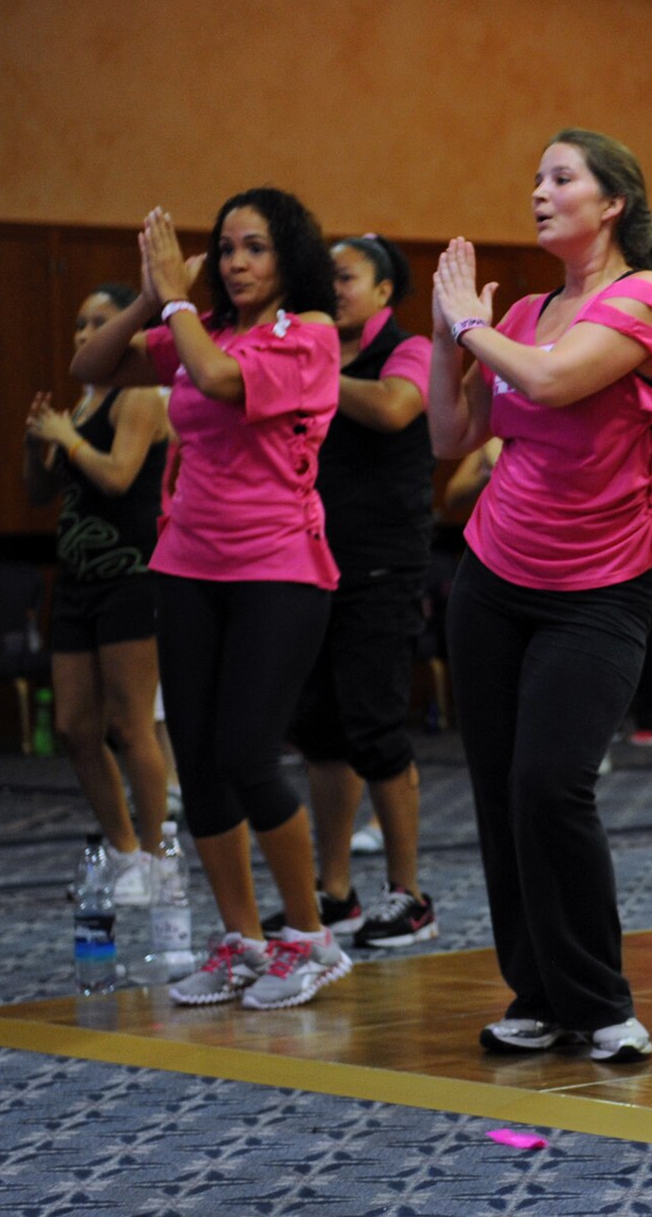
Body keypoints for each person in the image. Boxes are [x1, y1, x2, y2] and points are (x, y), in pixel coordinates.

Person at [430, 128, 652, 1064]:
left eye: (561, 178)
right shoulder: (520, 315)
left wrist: (471, 326)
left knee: (551, 785)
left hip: (602, 587)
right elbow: (450, 434)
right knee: (499, 793)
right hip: (493, 578)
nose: (540, 193)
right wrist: (448, 333)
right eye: (535, 177)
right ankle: (539, 992)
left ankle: (599, 999)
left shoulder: (646, 299)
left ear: (614, 203)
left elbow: (553, 384)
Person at [72, 189, 349, 1011]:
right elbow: (93, 369)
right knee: (198, 761)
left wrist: (181, 300)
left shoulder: (310, 334)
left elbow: (223, 381)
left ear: (288, 257)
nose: (234, 262)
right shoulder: (203, 325)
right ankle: (241, 940)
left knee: (247, 754)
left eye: (254, 247)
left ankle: (308, 935)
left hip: (279, 566)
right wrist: (151, 301)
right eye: (224, 248)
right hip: (187, 562)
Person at [279, 234, 439, 949]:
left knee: (375, 725)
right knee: (320, 731)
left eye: (346, 276)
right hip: (308, 559)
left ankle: (408, 894)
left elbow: (398, 407)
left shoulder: (406, 348)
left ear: (383, 291)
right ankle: (335, 890)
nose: (332, 287)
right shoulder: (310, 350)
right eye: (326, 276)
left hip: (382, 564)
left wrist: (308, 375)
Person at [23, 285, 171, 904]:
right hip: (79, 580)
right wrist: (39, 443)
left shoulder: (138, 396)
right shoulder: (79, 407)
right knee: (74, 726)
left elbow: (118, 475)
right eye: (80, 324)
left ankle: (157, 858)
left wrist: (69, 437)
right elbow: (37, 494)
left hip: (133, 575)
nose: (86, 335)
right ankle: (122, 850)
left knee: (130, 725)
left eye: (100, 323)